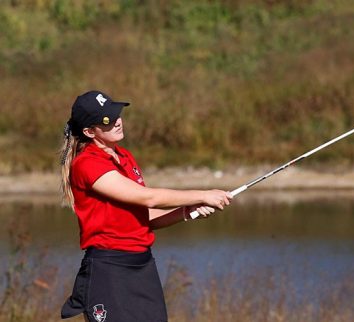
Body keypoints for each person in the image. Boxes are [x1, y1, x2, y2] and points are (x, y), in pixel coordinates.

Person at [59, 90, 232, 322]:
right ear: (90, 132)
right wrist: (202, 194)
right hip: (109, 269)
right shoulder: (87, 164)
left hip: (141, 265)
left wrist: (186, 212)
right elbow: (147, 198)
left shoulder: (125, 157)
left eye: (116, 114)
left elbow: (145, 214)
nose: (118, 122)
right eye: (107, 122)